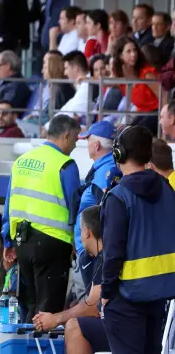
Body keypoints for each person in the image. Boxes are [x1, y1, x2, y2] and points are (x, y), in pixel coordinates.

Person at [98, 125, 173, 354]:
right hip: (160, 290)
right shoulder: (168, 189)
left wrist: (105, 291)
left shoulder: (118, 196)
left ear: (118, 154)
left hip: (125, 293)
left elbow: (113, 252)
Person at [2, 114, 81, 319]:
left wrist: (7, 240)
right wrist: (77, 240)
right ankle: (40, 350)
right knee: (48, 312)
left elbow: (8, 204)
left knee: (32, 303)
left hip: (23, 242)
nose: (75, 144)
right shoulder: (65, 164)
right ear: (65, 136)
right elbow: (75, 206)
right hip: (53, 243)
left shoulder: (21, 161)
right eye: (75, 139)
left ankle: (26, 347)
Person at [33, 205, 106, 354]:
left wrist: (56, 318)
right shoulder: (103, 257)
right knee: (77, 323)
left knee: (75, 325)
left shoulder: (109, 255)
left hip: (130, 329)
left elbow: (94, 305)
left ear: (86, 232)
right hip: (133, 325)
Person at [70, 121, 119, 299]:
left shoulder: (105, 171)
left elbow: (102, 214)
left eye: (88, 140)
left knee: (90, 305)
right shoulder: (105, 168)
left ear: (96, 145)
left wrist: (93, 251)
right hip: (90, 249)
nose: (86, 144)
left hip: (92, 253)